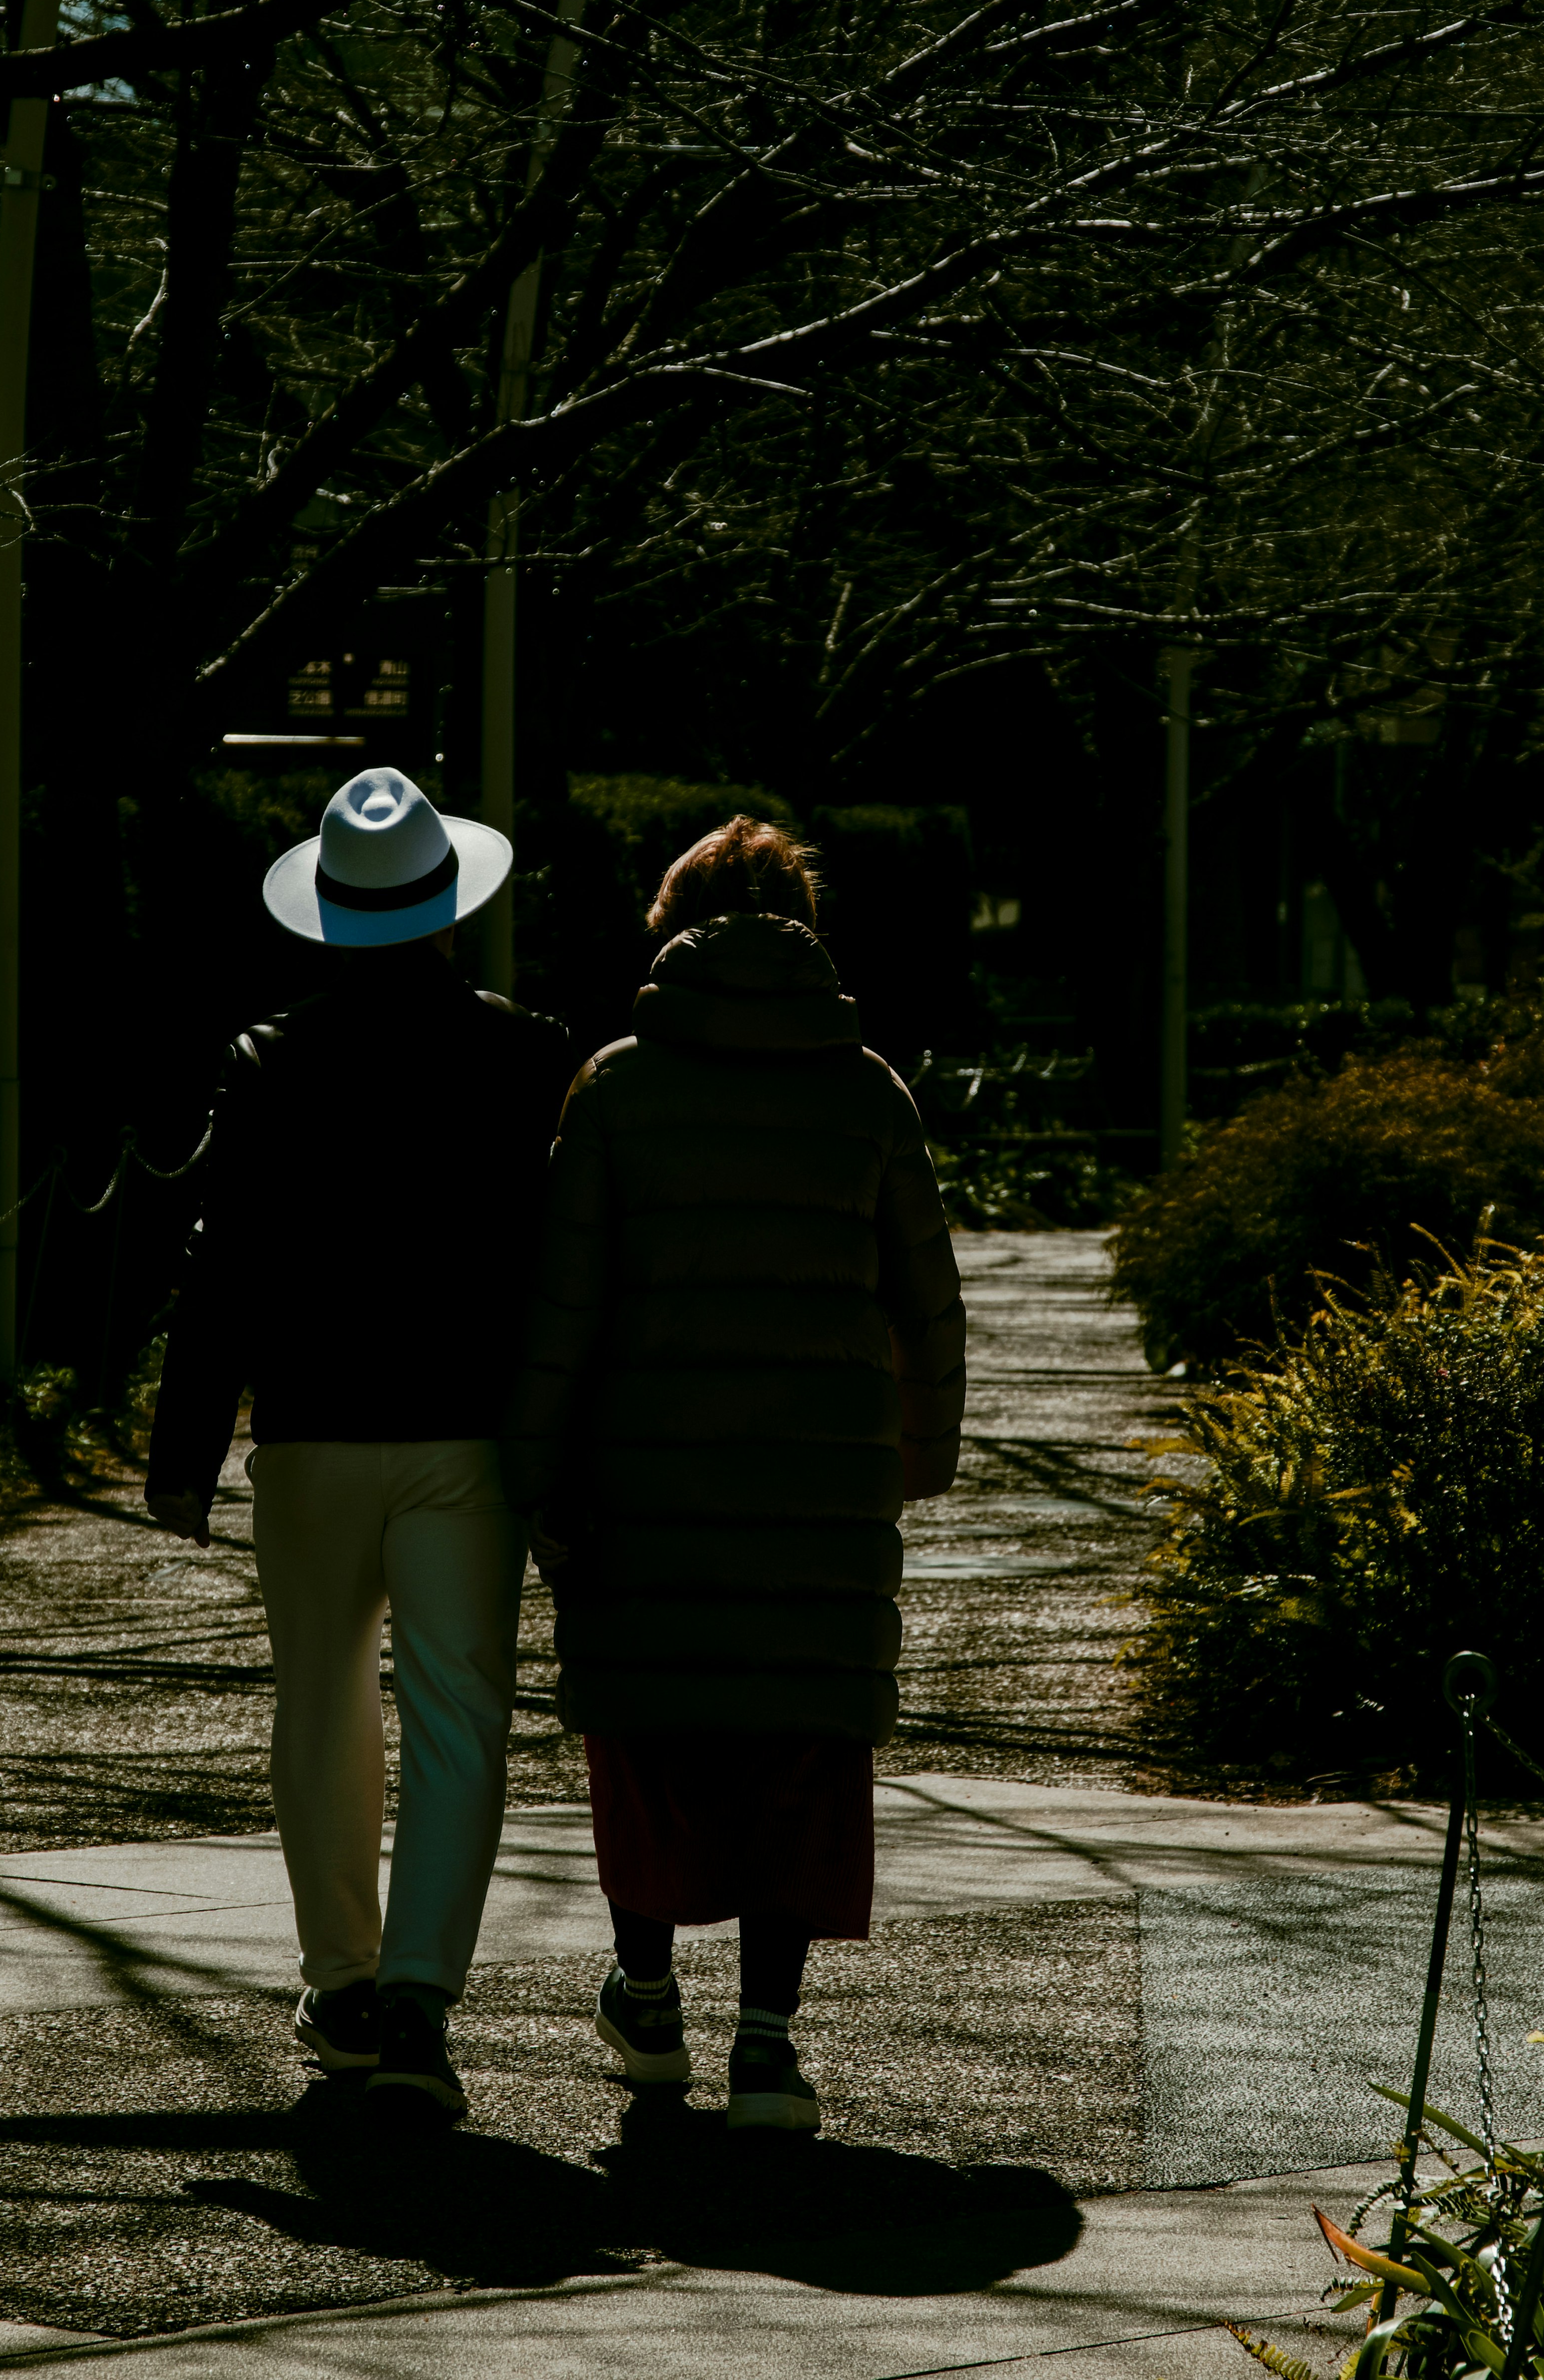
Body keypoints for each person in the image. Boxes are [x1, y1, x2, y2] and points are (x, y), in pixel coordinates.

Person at [502, 815, 964, 2133]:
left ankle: (646, 1999)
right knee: (796, 1753)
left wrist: (534, 1470)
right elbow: (928, 1297)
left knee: (649, 1734)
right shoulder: (867, 1089)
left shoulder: (615, 1089)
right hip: (820, 1499)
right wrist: (920, 1453)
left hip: (645, 1492)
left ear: (674, 924)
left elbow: (562, 1300)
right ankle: (768, 2041)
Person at [144, 766, 571, 2121]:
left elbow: (225, 1266)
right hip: (467, 1427)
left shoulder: (271, 1059)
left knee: (321, 1702)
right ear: (448, 905)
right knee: (460, 1717)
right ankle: (420, 1997)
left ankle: (339, 1975)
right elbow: (558, 1266)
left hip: (315, 1425)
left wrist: (184, 1445)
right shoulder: (527, 1056)